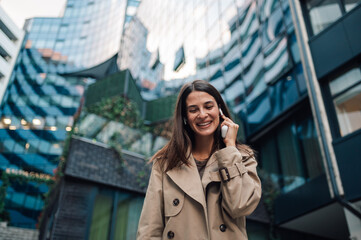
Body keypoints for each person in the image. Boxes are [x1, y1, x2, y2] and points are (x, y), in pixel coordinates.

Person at [137, 80, 261, 239]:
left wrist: (230, 148)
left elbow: (241, 206)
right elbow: (149, 229)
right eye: (193, 110)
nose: (202, 115)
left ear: (220, 110)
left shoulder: (243, 157)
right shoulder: (165, 163)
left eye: (209, 107)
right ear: (185, 117)